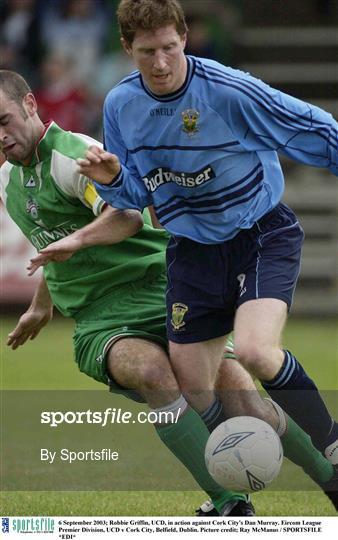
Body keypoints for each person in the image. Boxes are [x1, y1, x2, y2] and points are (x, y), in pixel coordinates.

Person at [1, 70, 338, 517]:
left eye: (3, 119)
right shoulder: (9, 181)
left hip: (163, 288)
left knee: (240, 394)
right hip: (101, 318)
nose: (0, 135)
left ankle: (329, 477)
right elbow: (54, 246)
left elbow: (126, 216)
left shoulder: (72, 155)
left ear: (29, 105)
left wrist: (79, 240)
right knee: (151, 371)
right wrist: (40, 307)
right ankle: (231, 503)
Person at [77, 0, 338, 482]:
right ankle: (240, 483)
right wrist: (113, 177)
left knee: (257, 353)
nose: (159, 63)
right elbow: (137, 192)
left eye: (169, 48)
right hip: (191, 250)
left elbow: (315, 129)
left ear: (186, 37)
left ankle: (333, 447)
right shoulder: (120, 105)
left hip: (260, 233)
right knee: (195, 389)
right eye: (146, 51)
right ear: (126, 48)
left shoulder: (228, 91)